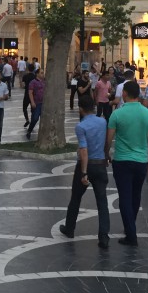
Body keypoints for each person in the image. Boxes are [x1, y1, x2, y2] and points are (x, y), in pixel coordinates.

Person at [106, 80, 148, 246]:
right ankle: (131, 226)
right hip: (141, 160)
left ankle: (131, 233)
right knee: (136, 195)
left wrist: (106, 153)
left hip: (122, 160)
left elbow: (109, 138)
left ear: (125, 94)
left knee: (124, 197)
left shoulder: (117, 114)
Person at [59, 94, 110, 248]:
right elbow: (106, 141)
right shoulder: (103, 121)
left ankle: (70, 228)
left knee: (76, 197)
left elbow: (84, 150)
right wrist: (107, 156)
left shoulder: (81, 126)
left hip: (87, 165)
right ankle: (104, 237)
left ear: (80, 109)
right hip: (101, 165)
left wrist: (83, 172)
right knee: (102, 202)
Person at [26, 68, 45, 139]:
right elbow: (30, 92)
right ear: (37, 74)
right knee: (35, 118)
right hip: (37, 103)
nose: (43, 74)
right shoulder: (33, 82)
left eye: (43, 73)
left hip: (43, 103)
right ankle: (29, 130)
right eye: (41, 73)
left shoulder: (44, 82)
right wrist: (32, 102)